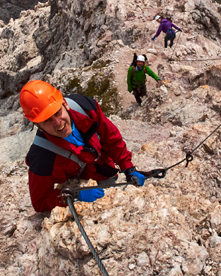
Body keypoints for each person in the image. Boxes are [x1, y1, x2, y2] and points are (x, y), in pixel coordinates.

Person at [20, 80, 146, 213]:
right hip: (81, 185)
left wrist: (128, 168)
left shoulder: (86, 108)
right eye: (47, 120)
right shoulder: (42, 158)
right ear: (38, 125)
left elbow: (110, 137)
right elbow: (40, 202)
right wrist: (75, 195)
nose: (57, 122)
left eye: (57, 112)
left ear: (64, 103)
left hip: (105, 170)